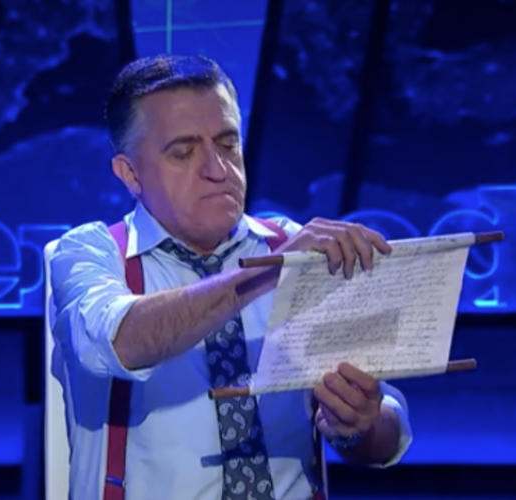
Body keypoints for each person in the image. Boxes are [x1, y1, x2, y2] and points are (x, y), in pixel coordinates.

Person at [49, 54, 413, 500]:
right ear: (130, 174)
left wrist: (360, 425)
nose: (218, 171)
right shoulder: (90, 252)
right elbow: (119, 340)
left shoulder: (296, 247)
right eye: (183, 152)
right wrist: (269, 274)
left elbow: (386, 435)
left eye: (227, 144)